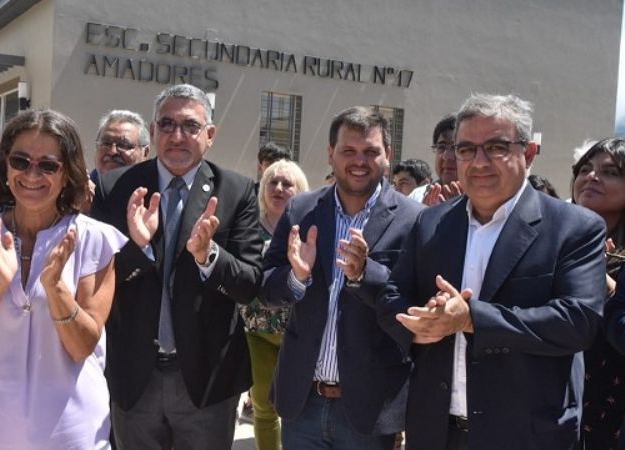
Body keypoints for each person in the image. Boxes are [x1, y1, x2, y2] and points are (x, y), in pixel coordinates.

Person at [378, 93, 606, 450]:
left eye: (497, 147)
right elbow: (392, 297)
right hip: (435, 430)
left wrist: (471, 319)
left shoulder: (574, 227)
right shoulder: (431, 223)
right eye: (466, 149)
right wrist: (420, 327)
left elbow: (578, 322)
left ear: (529, 153)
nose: (479, 162)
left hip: (525, 435)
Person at [0, 109, 126, 449]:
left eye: (48, 165)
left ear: (67, 172)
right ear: (5, 165)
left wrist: (55, 289)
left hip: (70, 433)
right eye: (21, 161)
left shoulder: (96, 241)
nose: (32, 174)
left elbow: (82, 346)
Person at [91, 83, 263, 450]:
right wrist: (137, 248)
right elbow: (93, 278)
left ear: (210, 135)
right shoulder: (114, 188)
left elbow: (249, 284)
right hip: (135, 378)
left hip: (205, 383)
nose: (177, 136)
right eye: (166, 125)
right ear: (152, 133)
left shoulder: (236, 190)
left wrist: (209, 257)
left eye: (190, 126)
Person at [262, 106, 423, 449]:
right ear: (330, 153)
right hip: (302, 402)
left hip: (368, 410)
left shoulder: (414, 220)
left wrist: (366, 275)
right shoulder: (301, 210)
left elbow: (414, 310)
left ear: (388, 155)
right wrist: (296, 277)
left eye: (371, 152)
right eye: (348, 151)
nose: (359, 161)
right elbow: (267, 288)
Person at [239, 159, 308, 450]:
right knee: (265, 406)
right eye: (273, 182)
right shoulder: (248, 226)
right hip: (257, 330)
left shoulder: (311, 226)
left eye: (287, 183)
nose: (279, 188)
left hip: (301, 331)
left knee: (301, 408)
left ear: (300, 189)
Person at [570, 138, 625, 450]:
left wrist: (603, 282)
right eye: (585, 169)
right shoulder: (549, 242)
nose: (592, 177)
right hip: (553, 410)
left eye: (610, 171)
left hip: (611, 416)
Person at [409, 114, 462, 204]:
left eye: (455, 148)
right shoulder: (417, 197)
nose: (446, 156)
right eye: (441, 147)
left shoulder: (483, 201)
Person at [91, 109, 150, 182]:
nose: (112, 152)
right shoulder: (80, 190)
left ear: (145, 153)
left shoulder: (159, 189)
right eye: (106, 143)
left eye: (123, 145)